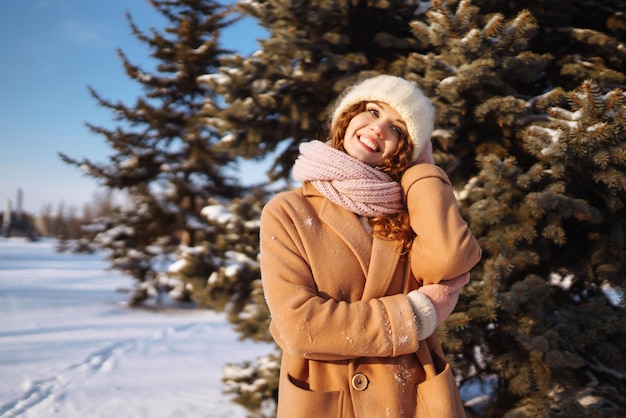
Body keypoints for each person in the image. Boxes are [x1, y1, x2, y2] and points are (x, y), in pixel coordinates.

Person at [259, 75, 482, 417]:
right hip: (329, 395)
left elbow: (449, 258)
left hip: (409, 395)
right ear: (348, 116)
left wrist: (422, 172)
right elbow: (299, 326)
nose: (380, 128)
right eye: (373, 111)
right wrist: (413, 318)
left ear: (405, 150)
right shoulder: (288, 211)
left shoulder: (413, 211)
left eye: (398, 129)